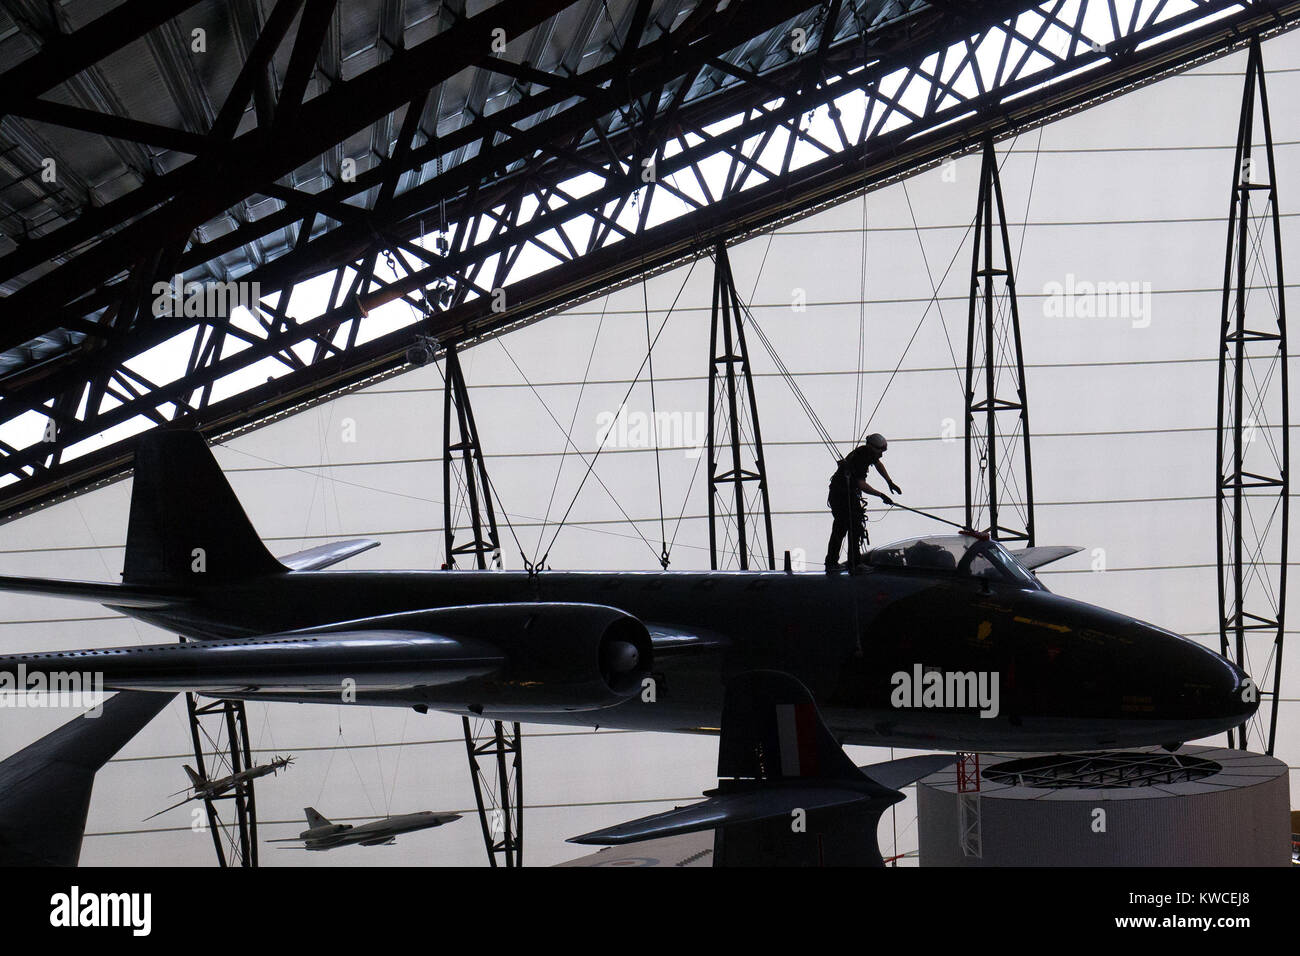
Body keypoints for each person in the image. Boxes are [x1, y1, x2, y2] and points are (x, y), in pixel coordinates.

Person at [825, 433, 901, 571]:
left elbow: (878, 464)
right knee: (849, 526)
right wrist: (881, 495)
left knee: (848, 526)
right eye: (880, 451)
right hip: (841, 496)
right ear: (872, 448)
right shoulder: (862, 457)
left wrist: (889, 481)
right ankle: (852, 564)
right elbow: (861, 484)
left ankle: (835, 562)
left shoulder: (867, 452)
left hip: (845, 494)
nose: (881, 455)